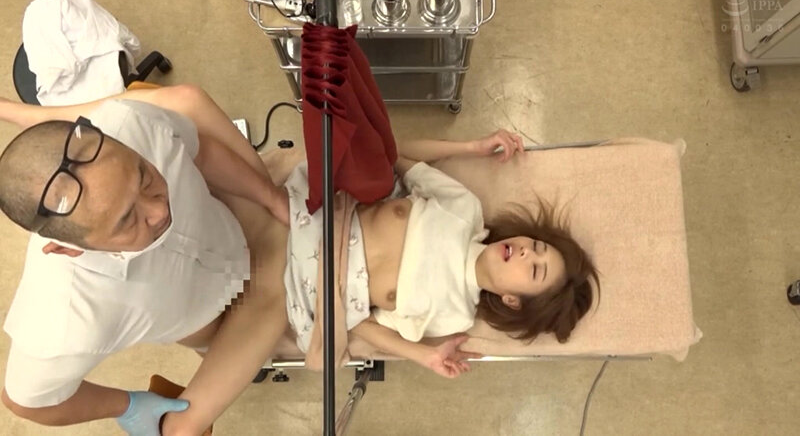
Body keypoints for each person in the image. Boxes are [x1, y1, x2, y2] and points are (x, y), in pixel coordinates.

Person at [0, 85, 293, 435]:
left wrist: (271, 198)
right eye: (126, 220)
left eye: (145, 177)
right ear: (67, 249)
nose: (159, 210)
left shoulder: (131, 123)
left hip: (232, 229)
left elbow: (200, 150)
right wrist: (127, 404)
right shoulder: (65, 318)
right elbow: (25, 401)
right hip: (208, 318)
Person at [280, 131, 600, 378]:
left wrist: (424, 355)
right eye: (538, 246)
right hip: (316, 216)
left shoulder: (457, 314)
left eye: (534, 270)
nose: (527, 252)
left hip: (308, 288)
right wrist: (473, 147)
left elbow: (363, 322)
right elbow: (393, 155)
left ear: (512, 300)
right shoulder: (465, 209)